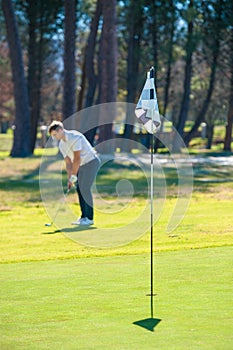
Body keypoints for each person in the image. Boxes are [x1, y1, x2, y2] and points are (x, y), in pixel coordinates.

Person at [48, 120, 100, 226]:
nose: (54, 137)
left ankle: (89, 218)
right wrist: (70, 178)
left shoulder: (75, 136)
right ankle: (83, 217)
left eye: (55, 134)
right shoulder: (62, 145)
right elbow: (68, 162)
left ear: (61, 130)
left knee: (85, 188)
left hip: (91, 162)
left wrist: (74, 175)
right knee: (79, 188)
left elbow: (77, 158)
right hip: (81, 165)